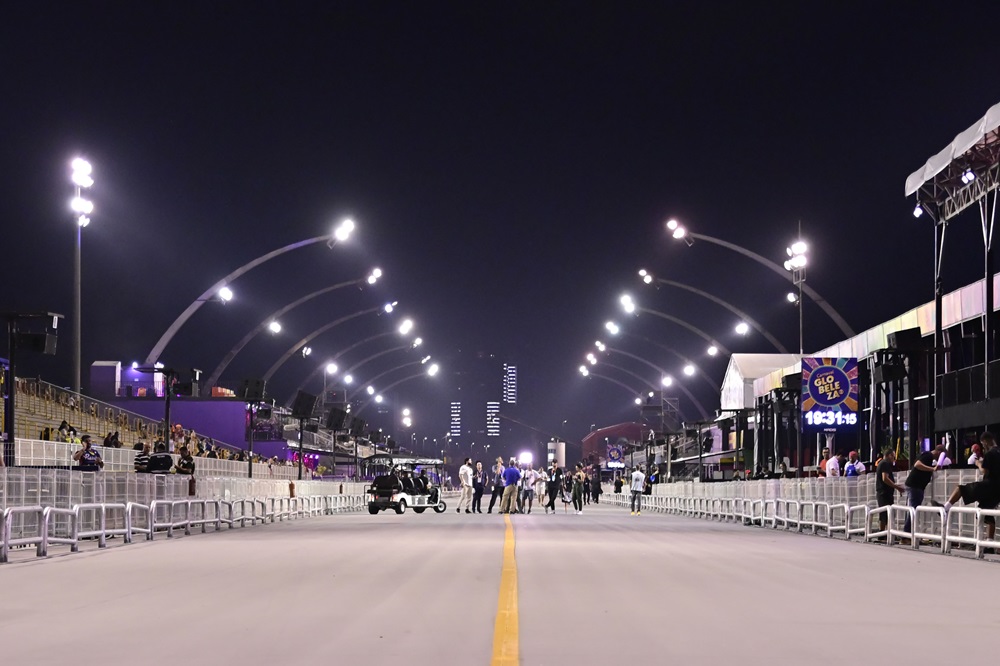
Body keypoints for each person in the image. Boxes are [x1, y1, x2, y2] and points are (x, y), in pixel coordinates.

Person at [936, 431, 1000, 544]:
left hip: (989, 484)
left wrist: (978, 463)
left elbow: (984, 470)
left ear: (985, 441)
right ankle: (990, 542)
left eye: (982, 443)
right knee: (987, 513)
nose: (982, 446)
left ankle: (945, 508)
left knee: (961, 489)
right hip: (998, 490)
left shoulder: (991, 453)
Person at [902, 443, 944, 536]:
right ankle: (907, 534)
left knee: (911, 509)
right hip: (915, 486)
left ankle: (907, 533)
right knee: (913, 509)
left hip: (914, 485)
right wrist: (932, 469)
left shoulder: (927, 456)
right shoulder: (928, 455)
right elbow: (917, 465)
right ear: (939, 452)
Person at [875, 449, 905, 534]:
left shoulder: (882, 463)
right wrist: (896, 487)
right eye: (893, 456)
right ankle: (882, 533)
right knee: (885, 514)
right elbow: (885, 478)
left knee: (886, 513)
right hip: (884, 492)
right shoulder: (885, 464)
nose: (894, 459)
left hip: (884, 492)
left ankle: (885, 533)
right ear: (889, 455)